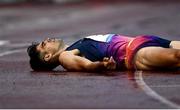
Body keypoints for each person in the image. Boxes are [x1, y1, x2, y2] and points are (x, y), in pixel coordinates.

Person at [27, 34, 180, 72]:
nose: (47, 39)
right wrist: (101, 64)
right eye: (43, 44)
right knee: (176, 57)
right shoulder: (65, 56)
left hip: (141, 40)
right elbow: (86, 66)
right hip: (134, 53)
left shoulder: (74, 45)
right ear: (47, 56)